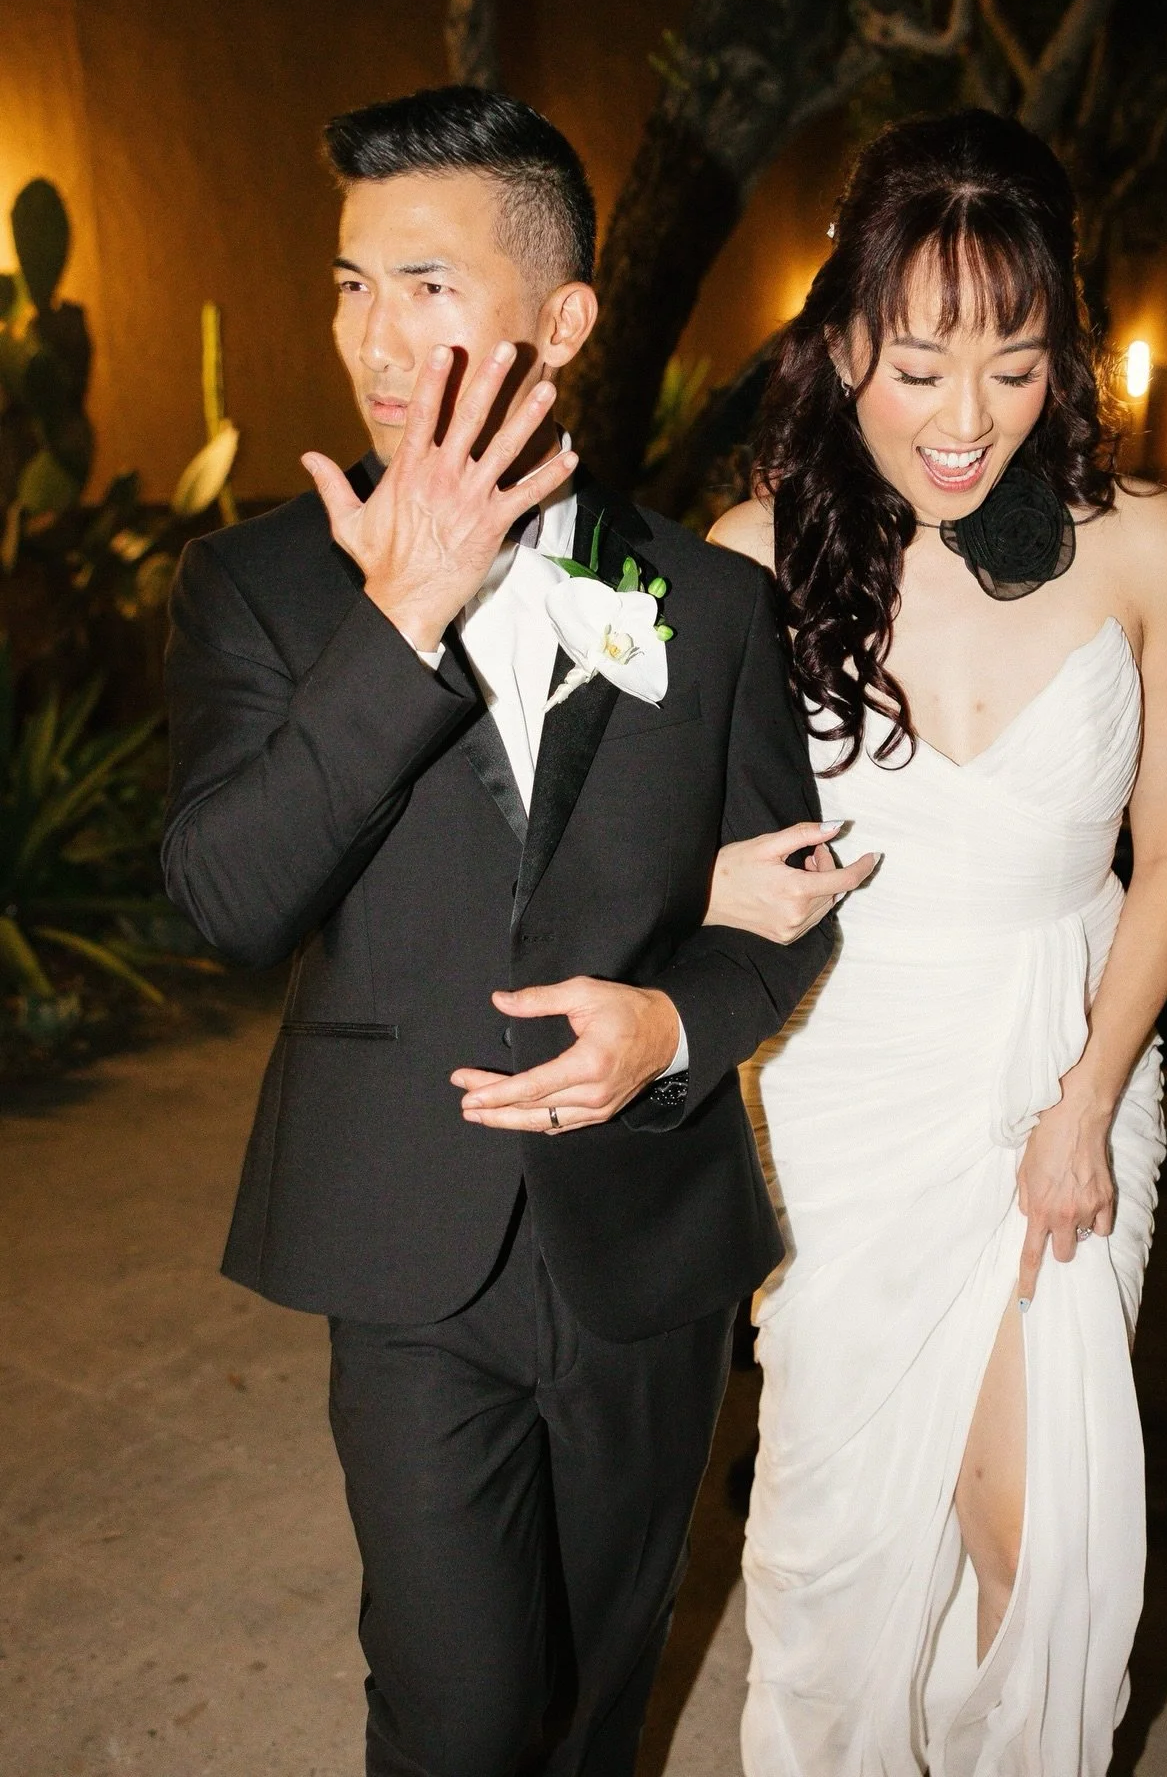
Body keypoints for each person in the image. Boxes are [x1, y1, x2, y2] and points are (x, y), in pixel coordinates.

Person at [161, 86, 841, 1777]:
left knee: (601, 1702)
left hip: (644, 1245)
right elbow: (225, 898)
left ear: (566, 317)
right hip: (402, 1236)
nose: (374, 338)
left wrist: (674, 1025)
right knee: (460, 1714)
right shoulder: (264, 586)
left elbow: (784, 910)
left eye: (427, 284)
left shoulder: (712, 601)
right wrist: (400, 618)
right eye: (346, 285)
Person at [701, 112, 1167, 1774]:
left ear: (1064, 352)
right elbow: (639, 855)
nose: (964, 416)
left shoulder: (1147, 545)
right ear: (843, 338)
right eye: (919, 364)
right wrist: (713, 892)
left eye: (1011, 362)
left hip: (1068, 1060)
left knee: (1042, 1548)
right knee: (835, 1554)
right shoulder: (751, 554)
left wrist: (1083, 1106)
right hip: (845, 1089)